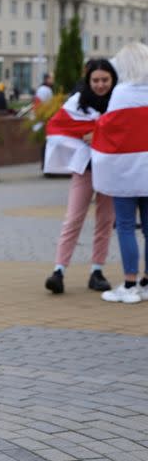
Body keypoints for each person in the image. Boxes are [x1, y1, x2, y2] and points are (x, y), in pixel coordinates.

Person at [43, 59, 118, 295]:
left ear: (113, 80)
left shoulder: (120, 101)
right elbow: (58, 127)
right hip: (84, 168)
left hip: (110, 168)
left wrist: (96, 134)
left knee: (105, 221)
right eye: (95, 80)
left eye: (105, 79)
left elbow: (125, 130)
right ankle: (58, 271)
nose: (100, 85)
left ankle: (97, 271)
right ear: (88, 81)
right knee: (73, 219)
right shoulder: (77, 102)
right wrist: (86, 136)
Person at [92, 43, 148, 304]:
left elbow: (108, 128)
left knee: (125, 226)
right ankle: (146, 282)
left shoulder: (122, 93)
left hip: (126, 171)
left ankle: (129, 284)